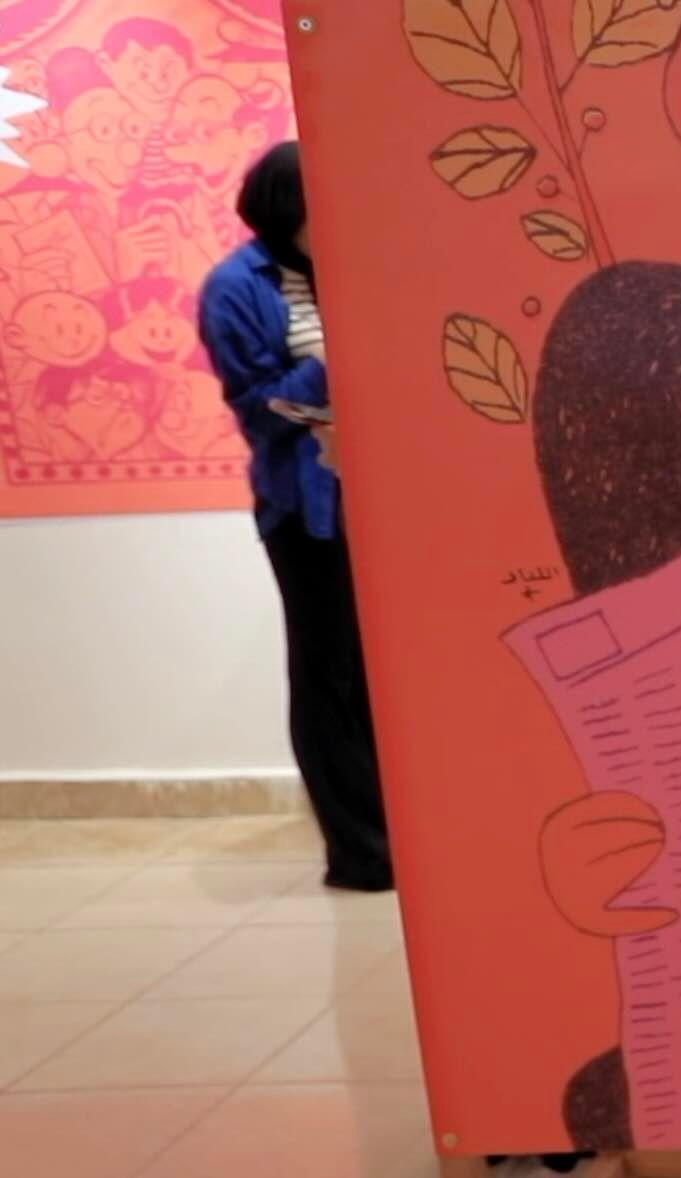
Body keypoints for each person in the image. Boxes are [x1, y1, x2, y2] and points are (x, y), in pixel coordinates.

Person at [200, 141, 393, 893]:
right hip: (306, 511)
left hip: (389, 511)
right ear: (286, 212)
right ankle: (362, 853)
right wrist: (333, 355)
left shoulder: (354, 269)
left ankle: (412, 837)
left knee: (391, 676)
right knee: (330, 674)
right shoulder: (236, 286)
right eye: (321, 207)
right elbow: (260, 409)